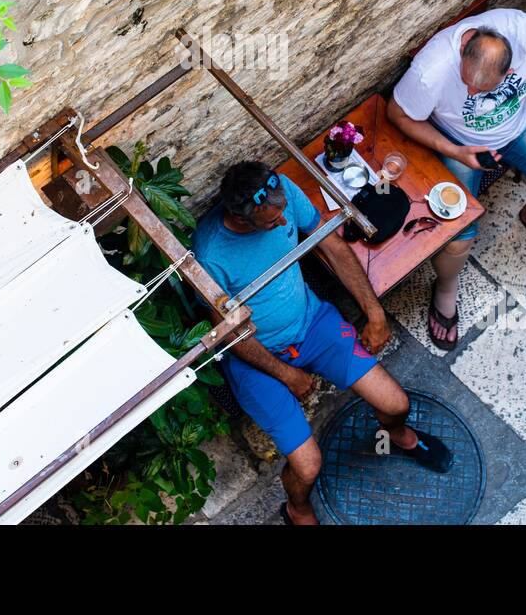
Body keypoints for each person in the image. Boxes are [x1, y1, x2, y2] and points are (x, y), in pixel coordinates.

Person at [194, 161, 452, 525]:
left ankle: (395, 434)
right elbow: (228, 333)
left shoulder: (279, 191)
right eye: (271, 222)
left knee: (396, 403)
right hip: (255, 357)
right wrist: (287, 375)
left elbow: (330, 245)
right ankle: (296, 507)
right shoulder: (210, 255)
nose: (284, 224)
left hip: (312, 323)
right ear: (240, 219)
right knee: (308, 465)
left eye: (283, 214)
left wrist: (374, 313)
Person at [388, 8, 526, 350]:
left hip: (520, 127)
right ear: (464, 52)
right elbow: (398, 113)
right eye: (467, 85)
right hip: (458, 143)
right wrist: (453, 149)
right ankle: (446, 288)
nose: (473, 95)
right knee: (458, 240)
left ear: (508, 71)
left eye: (483, 89)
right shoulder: (430, 71)